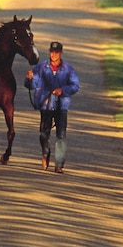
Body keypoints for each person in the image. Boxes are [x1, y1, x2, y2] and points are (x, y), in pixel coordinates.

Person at [24, 41, 80, 173]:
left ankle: (59, 164)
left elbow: (75, 86)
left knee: (61, 135)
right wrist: (29, 79)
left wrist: (63, 90)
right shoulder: (41, 67)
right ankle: (45, 153)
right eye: (52, 52)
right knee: (44, 134)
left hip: (61, 106)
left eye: (56, 52)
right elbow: (32, 85)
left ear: (60, 53)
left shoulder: (68, 69)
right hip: (46, 105)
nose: (53, 54)